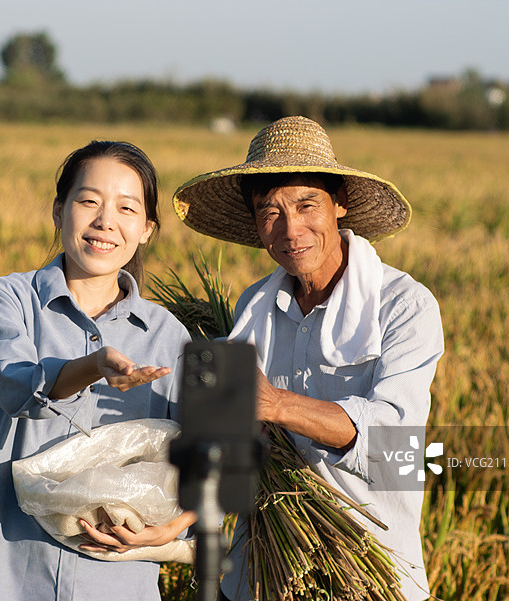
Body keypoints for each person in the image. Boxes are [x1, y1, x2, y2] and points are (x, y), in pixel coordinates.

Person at [172, 116, 444, 601]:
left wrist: (276, 405)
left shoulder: (403, 305)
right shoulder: (253, 309)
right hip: (261, 573)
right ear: (256, 224)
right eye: (270, 212)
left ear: (339, 203)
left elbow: (392, 445)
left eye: (306, 204)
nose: (291, 229)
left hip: (371, 571)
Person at [0, 140, 196, 601]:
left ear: (147, 230)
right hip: (0, 571)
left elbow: (205, 452)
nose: (105, 222)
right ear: (59, 211)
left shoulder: (168, 336)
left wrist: (171, 531)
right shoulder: (9, 300)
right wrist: (93, 366)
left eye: (127, 208)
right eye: (88, 201)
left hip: (116, 584)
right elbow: (17, 388)